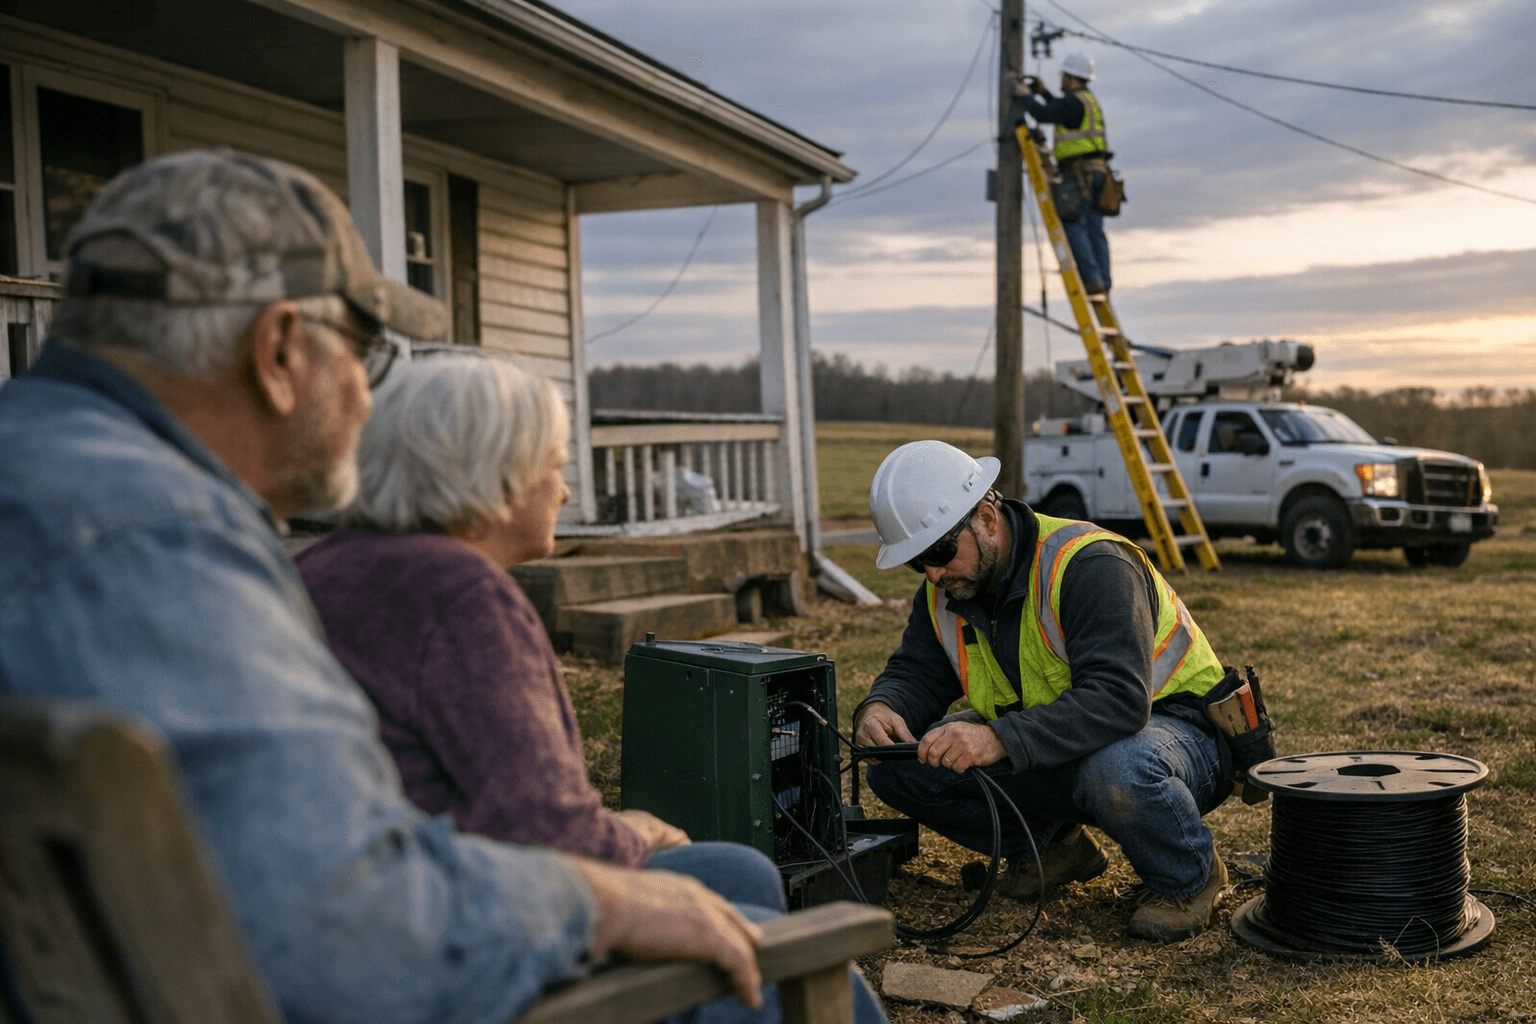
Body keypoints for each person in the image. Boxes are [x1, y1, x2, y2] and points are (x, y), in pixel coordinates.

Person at [0, 149, 883, 1024]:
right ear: (278, 350)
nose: (366, 398)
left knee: (726, 878)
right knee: (803, 981)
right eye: (364, 351)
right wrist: (591, 902)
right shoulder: (156, 539)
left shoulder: (53, 481)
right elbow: (347, 927)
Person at [295, 354, 787, 909]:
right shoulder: (461, 597)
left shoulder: (319, 567)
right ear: (499, 478)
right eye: (554, 467)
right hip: (450, 903)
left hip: (351, 876)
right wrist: (638, 831)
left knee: (740, 873)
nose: (565, 493)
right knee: (747, 892)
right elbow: (549, 835)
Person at [852, 440, 1233, 942]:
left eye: (940, 552)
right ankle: (1052, 850)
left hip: (1180, 736)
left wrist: (999, 738)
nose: (933, 574)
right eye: (916, 562)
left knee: (1116, 768)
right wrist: (883, 707)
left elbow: (1119, 698)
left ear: (986, 518)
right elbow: (917, 672)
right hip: (1059, 741)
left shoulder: (1089, 564)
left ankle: (1189, 879)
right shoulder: (947, 588)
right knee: (899, 766)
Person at [1016, 51, 1114, 295]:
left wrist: (1024, 96)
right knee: (1094, 230)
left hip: (1078, 173)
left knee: (1074, 224)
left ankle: (1091, 278)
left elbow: (1044, 114)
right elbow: (1060, 112)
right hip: (1098, 173)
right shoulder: (1086, 101)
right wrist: (1042, 93)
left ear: (1070, 77)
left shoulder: (1072, 103)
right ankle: (1102, 280)